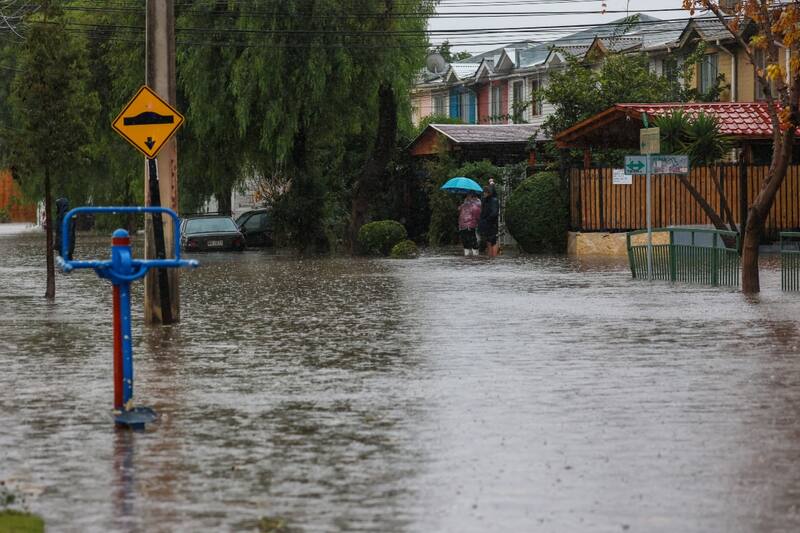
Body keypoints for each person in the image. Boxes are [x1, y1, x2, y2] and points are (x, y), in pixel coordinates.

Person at [479, 184, 500, 257]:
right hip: (486, 224)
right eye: (484, 192)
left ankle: (493, 257)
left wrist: (487, 220)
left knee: (493, 240)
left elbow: (494, 213)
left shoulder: (494, 200)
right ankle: (490, 257)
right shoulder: (485, 200)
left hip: (492, 224)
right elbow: (483, 211)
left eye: (485, 192)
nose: (484, 194)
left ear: (489, 193)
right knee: (488, 240)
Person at [458, 192, 481, 256]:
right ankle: (467, 255)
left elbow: (478, 216)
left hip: (470, 225)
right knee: (465, 241)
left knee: (472, 240)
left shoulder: (476, 205)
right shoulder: (464, 204)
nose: (467, 197)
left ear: (473, 197)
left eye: (469, 196)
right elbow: (460, 212)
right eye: (467, 196)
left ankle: (475, 255)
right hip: (462, 225)